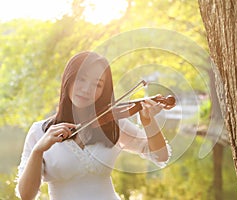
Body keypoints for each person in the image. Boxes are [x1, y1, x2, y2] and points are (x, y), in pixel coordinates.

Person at [15, 51, 171, 200]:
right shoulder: (39, 131)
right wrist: (38, 151)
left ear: (104, 91)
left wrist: (148, 121)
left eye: (97, 85)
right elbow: (26, 195)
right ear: (68, 80)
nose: (87, 89)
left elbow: (160, 156)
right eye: (81, 79)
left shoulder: (112, 124)